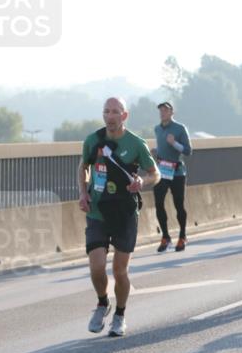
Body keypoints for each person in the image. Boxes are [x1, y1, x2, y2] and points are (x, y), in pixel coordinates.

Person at [79, 97, 160, 336]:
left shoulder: (136, 144)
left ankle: (120, 315)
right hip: (98, 210)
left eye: (115, 112)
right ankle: (103, 303)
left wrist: (141, 181)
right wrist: (83, 192)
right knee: (96, 267)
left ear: (124, 116)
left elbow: (155, 174)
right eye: (106, 111)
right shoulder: (93, 140)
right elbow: (83, 166)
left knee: (119, 271)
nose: (110, 116)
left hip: (125, 212)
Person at [153, 101, 192, 252]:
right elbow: (163, 146)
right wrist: (156, 150)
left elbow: (188, 151)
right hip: (162, 171)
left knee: (178, 205)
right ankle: (165, 236)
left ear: (171, 112)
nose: (163, 113)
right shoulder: (157, 129)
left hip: (177, 172)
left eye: (165, 110)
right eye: (161, 110)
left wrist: (174, 143)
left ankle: (182, 236)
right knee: (158, 203)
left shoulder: (180, 128)